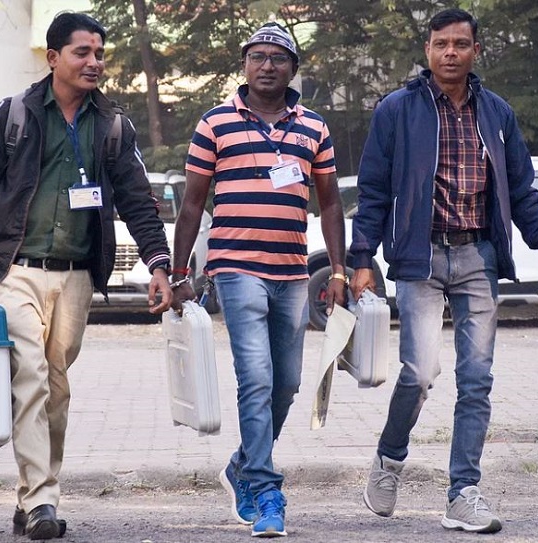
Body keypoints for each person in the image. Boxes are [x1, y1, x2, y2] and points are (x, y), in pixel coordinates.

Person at [0, 12, 172, 540]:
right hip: (11, 270)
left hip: (76, 278)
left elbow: (138, 200)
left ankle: (31, 498)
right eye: (81, 53)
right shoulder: (14, 114)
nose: (93, 62)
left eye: (99, 54)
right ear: (53, 58)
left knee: (56, 391)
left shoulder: (113, 124)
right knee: (30, 379)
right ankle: (45, 502)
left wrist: (159, 264)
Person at [350, 8, 538, 534]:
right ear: (427, 50)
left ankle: (463, 493)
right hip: (418, 258)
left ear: (475, 51)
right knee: (420, 373)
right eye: (442, 43)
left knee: (477, 381)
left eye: (461, 44)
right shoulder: (396, 111)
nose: (451, 52)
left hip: (478, 257)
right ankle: (389, 459)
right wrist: (361, 260)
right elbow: (375, 191)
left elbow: (521, 189)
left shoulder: (496, 113)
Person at [171, 22, 347, 538]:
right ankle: (268, 492)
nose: (266, 65)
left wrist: (336, 270)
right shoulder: (215, 123)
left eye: (277, 57)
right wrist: (182, 274)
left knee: (288, 382)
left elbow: (331, 202)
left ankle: (244, 464)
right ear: (244, 65)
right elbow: (192, 206)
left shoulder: (313, 126)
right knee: (258, 376)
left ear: (293, 68)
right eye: (257, 56)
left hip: (292, 272)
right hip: (235, 266)